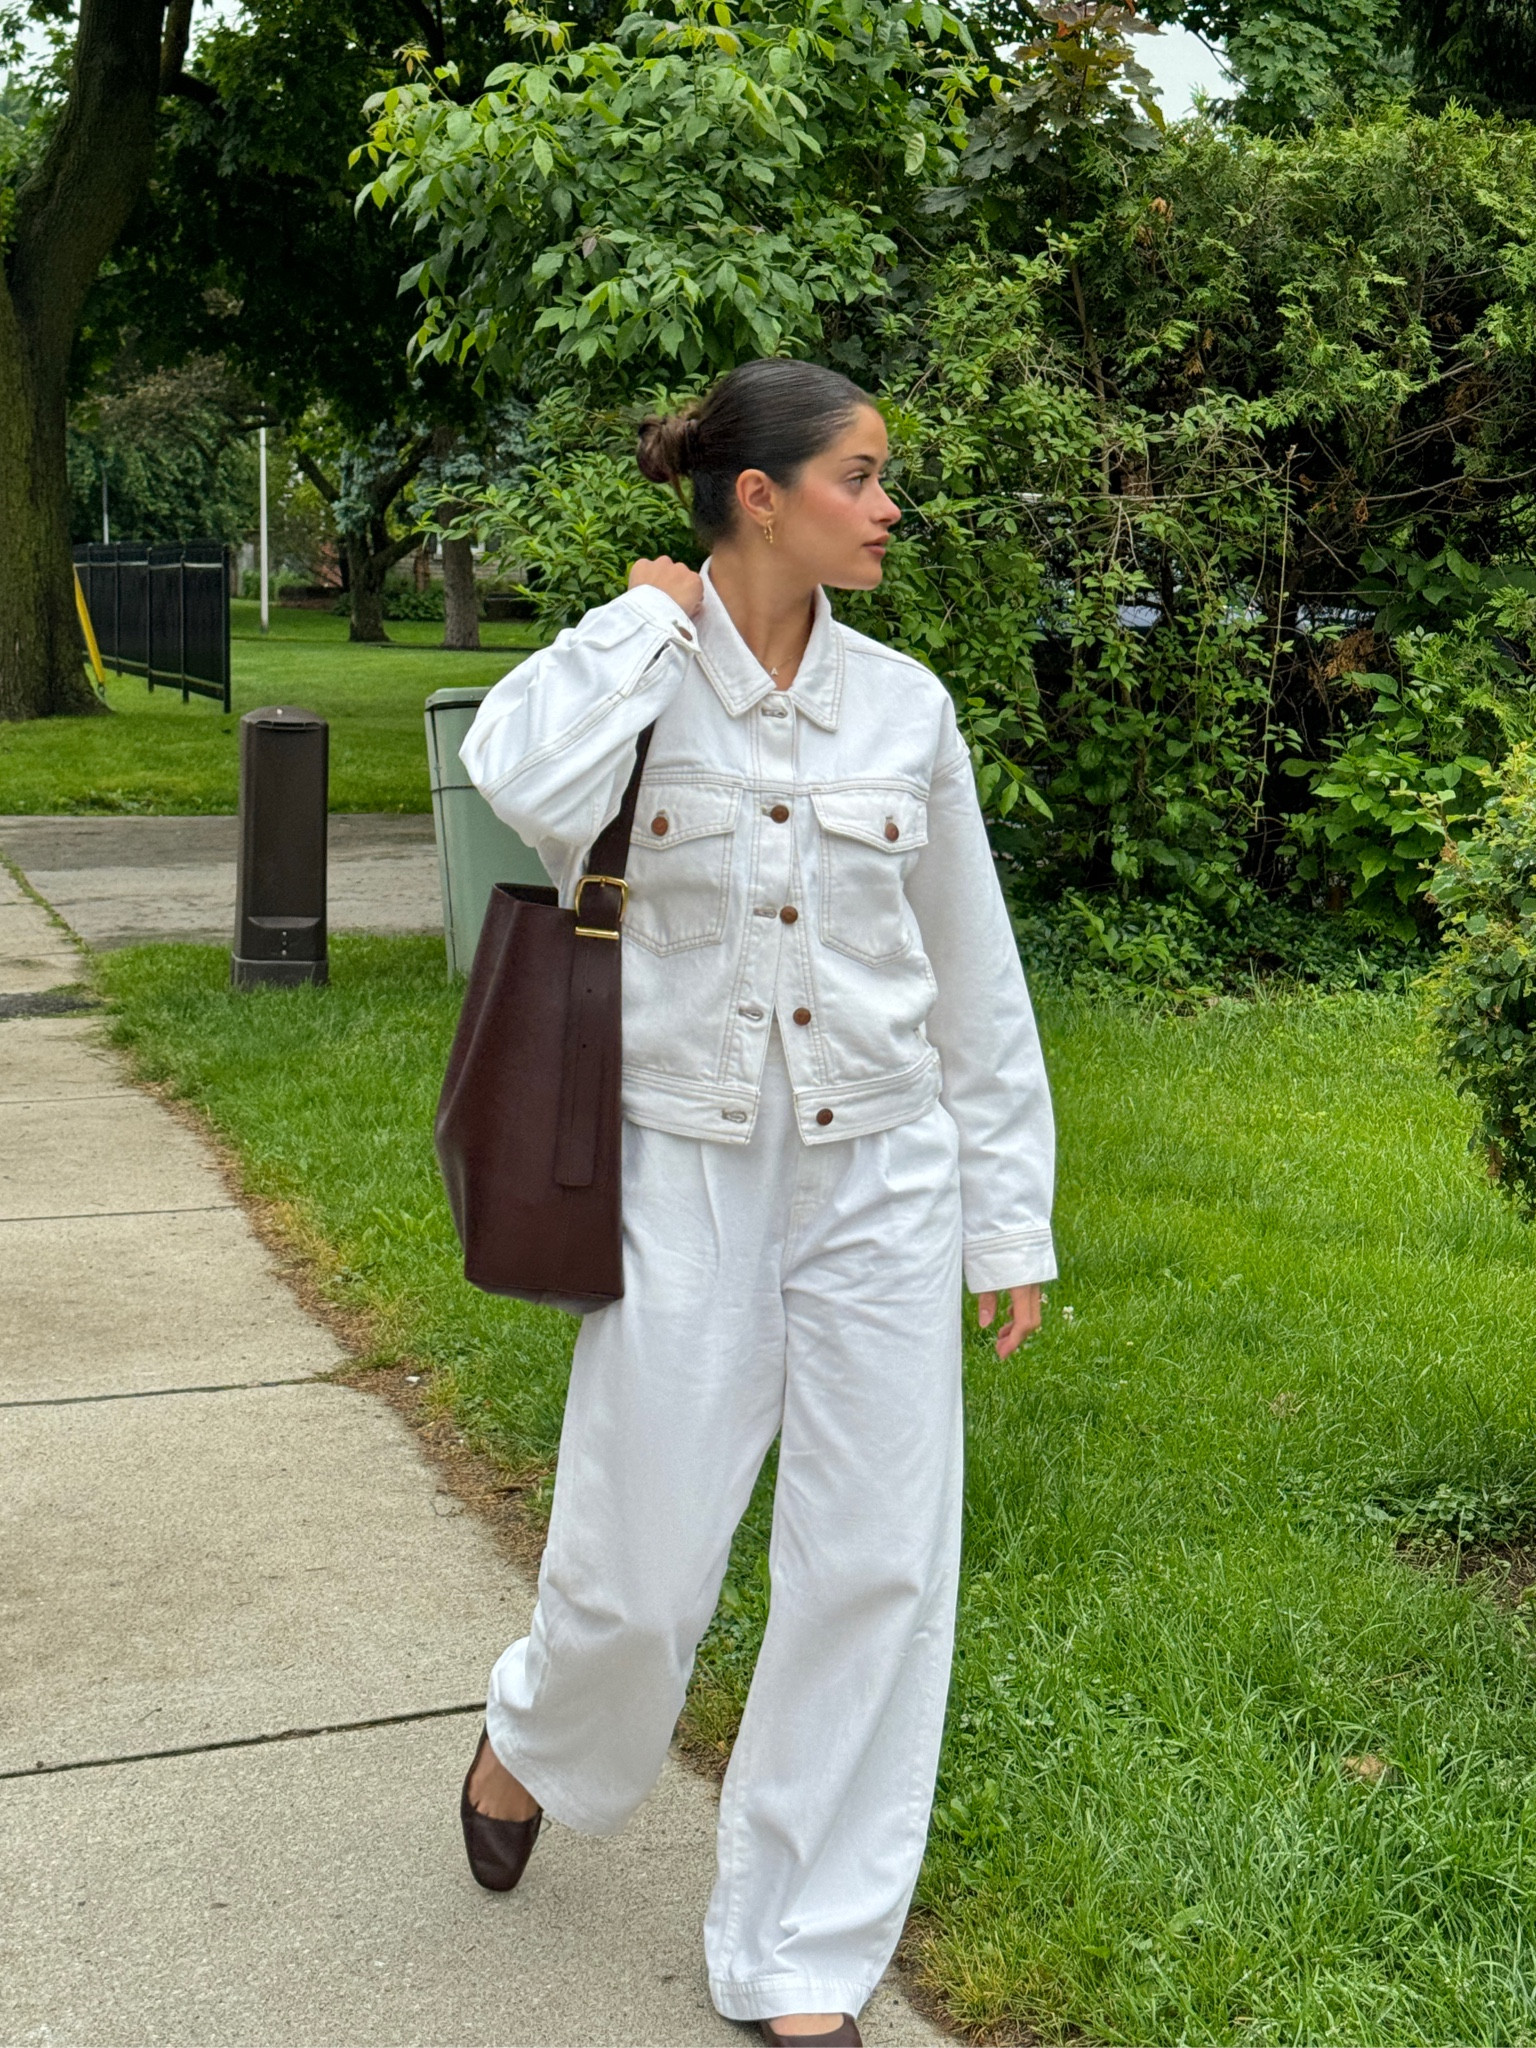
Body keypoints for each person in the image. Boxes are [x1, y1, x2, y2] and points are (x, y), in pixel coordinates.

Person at [455, 357, 1056, 2047]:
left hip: (883, 1175)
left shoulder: (909, 709)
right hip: (682, 1169)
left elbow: (973, 980)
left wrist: (1006, 1217)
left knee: (874, 1569)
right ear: (758, 498)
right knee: (641, 1575)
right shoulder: (631, 666)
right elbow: (519, 781)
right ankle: (534, 1735)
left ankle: (801, 1958)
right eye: (862, 478)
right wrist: (643, 632)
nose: (887, 508)